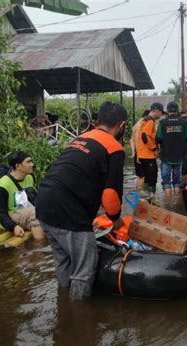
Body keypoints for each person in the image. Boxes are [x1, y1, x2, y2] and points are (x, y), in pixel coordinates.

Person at [36, 102, 127, 300]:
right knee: (84, 269)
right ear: (122, 125)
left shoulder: (81, 138)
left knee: (64, 262)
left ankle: (63, 306)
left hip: (43, 203)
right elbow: (110, 195)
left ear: (98, 121)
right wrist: (116, 219)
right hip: (68, 211)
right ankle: (78, 322)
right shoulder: (114, 148)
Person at [0, 151, 45, 240]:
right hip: (11, 216)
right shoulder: (4, 184)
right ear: (18, 166)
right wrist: (14, 227)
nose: (32, 164)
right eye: (28, 162)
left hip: (27, 213)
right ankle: (39, 248)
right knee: (36, 211)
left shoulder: (30, 178)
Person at [156, 101, 187, 197]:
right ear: (177, 110)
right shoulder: (184, 122)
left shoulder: (162, 123)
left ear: (167, 111)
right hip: (179, 156)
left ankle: (168, 204)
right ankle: (176, 203)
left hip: (166, 156)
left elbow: (158, 138)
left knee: (166, 181)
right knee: (177, 181)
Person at [136, 103, 164, 192]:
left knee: (144, 179)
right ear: (156, 110)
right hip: (147, 156)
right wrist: (154, 149)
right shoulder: (150, 121)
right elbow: (145, 136)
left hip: (141, 154)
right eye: (161, 112)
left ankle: (141, 201)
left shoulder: (144, 120)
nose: (161, 115)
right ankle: (151, 200)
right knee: (151, 180)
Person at [130, 110, 149, 190]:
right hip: (141, 154)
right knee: (142, 177)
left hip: (138, 153)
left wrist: (134, 152)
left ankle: (138, 196)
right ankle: (140, 197)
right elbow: (137, 140)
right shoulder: (141, 125)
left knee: (140, 176)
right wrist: (138, 154)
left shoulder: (136, 125)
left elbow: (131, 140)